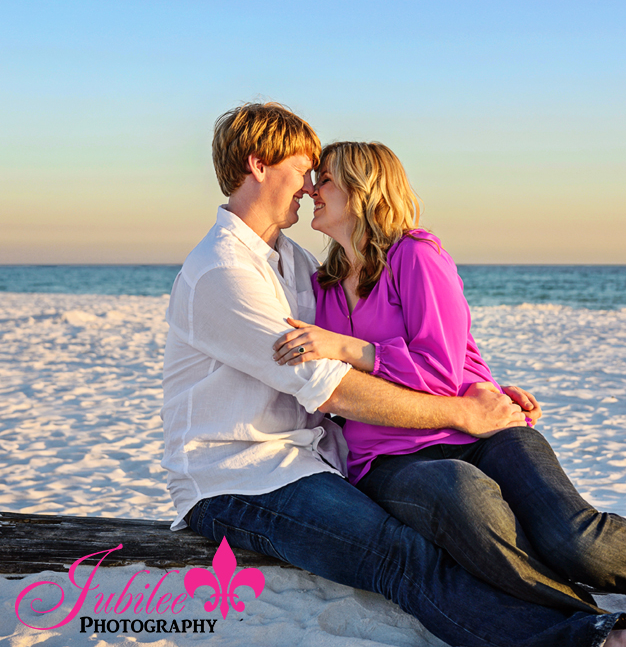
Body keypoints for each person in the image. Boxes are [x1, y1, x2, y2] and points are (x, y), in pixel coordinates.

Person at [162, 103, 626, 646]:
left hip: (313, 460)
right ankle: (591, 637)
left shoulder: (300, 264)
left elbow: (430, 349)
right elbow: (331, 384)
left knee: (555, 535)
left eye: (321, 175)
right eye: (303, 168)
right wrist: (464, 411)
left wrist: (485, 389)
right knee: (403, 556)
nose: (311, 185)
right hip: (239, 475)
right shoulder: (224, 270)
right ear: (258, 164)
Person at [273, 140, 626, 617]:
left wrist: (347, 348)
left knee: (576, 542)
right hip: (387, 460)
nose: (312, 189)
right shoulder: (323, 287)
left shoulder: (416, 255)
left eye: (326, 179)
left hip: (484, 430)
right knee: (465, 497)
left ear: (364, 189)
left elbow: (440, 371)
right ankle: (594, 625)